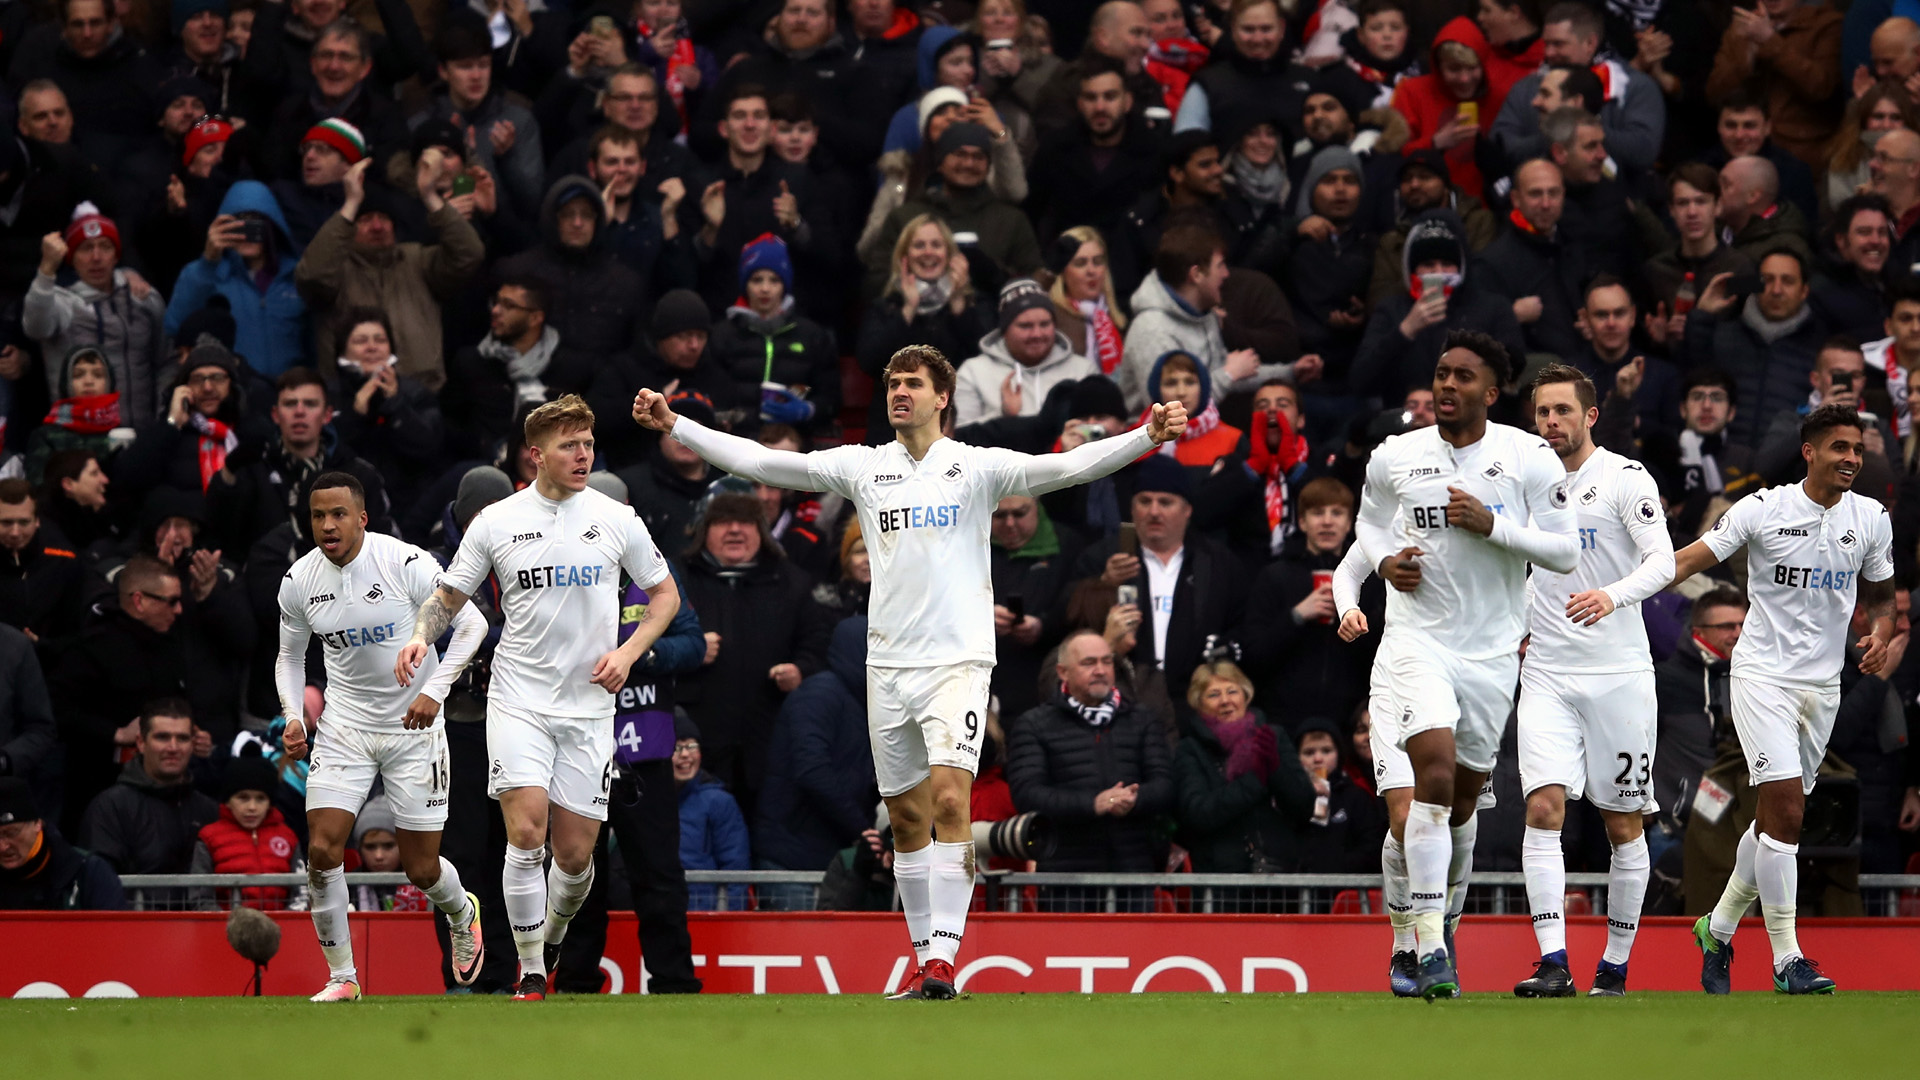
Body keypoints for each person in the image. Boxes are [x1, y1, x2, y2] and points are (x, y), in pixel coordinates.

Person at [633, 342, 1189, 999]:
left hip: (956, 662)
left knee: (952, 798)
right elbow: (765, 463)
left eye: (912, 384)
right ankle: (926, 960)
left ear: (941, 397)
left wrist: (1144, 437)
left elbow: (1065, 468)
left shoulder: (974, 468)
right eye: (892, 383)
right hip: (887, 663)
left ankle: (945, 961)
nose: (898, 393)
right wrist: (679, 426)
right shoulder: (865, 468)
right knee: (904, 820)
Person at [403, 395, 681, 1001]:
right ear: (536, 456)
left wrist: (628, 653)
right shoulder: (496, 521)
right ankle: (531, 969)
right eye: (568, 445)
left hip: (588, 707)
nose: (582, 455)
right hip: (519, 699)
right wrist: (420, 640)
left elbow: (666, 597)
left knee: (577, 857)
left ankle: (551, 934)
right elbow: (447, 598)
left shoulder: (617, 518)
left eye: (587, 443)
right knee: (525, 834)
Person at [1338, 329, 1578, 999]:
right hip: (1417, 642)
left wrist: (1492, 527)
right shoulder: (1396, 456)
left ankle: (1436, 923)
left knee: (1463, 804)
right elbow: (1370, 524)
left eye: (1462, 377)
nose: (1447, 385)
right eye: (1441, 373)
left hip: (1494, 650)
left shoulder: (1529, 456)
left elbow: (1562, 553)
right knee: (1432, 777)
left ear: (1491, 393)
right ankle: (1426, 942)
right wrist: (1384, 561)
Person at [1673, 404, 1895, 995]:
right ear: (1810, 452)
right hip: (1761, 676)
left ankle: (1717, 929)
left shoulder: (1871, 518)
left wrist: (1878, 631)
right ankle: (1787, 958)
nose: (1850, 458)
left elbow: (1881, 595)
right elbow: (1691, 559)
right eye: (1839, 448)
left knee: (1775, 821)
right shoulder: (1764, 508)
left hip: (1822, 686)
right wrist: (1622, 594)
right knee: (1789, 815)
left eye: (1857, 449)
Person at [275, 473, 487, 1000]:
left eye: (339, 514)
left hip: (414, 726)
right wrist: (294, 716)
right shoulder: (299, 580)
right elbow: (289, 656)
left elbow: (474, 626)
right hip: (346, 726)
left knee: (419, 868)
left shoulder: (404, 563)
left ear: (362, 517)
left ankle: (462, 910)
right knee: (322, 849)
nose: (328, 524)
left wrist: (434, 691)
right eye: (318, 515)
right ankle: (343, 978)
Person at [1510, 366, 1675, 998]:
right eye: (1542, 412)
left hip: (1619, 677)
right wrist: (1515, 621)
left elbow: (1662, 561)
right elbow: (1529, 573)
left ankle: (1615, 965)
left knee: (1622, 824)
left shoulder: (1624, 480)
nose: (1550, 422)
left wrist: (1610, 596)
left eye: (1561, 411)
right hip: (1548, 671)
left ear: (1590, 416)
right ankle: (1553, 960)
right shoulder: (1526, 485)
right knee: (1543, 808)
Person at [674, 491, 834, 804]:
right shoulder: (675, 580)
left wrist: (800, 669)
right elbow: (645, 641)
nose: (735, 530)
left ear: (761, 531)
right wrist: (689, 649)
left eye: (746, 522)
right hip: (697, 741)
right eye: (722, 522)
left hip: (768, 741)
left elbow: (818, 641)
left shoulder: (791, 582)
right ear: (705, 530)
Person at [294, 155, 486, 390]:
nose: (377, 226)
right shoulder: (335, 269)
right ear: (349, 228)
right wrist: (351, 204)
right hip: (351, 393)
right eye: (365, 219)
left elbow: (469, 254)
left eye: (384, 218)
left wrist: (429, 195)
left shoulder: (417, 259)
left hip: (422, 393)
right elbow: (310, 276)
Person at [1006, 629, 1173, 896]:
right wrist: (1093, 804)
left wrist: (1134, 799)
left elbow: (1165, 784)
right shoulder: (1034, 724)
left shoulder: (1142, 718)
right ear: (1063, 672)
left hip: (1133, 870)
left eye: (1107, 662)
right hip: (1066, 875)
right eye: (1088, 663)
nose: (1100, 670)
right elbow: (1027, 793)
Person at [753, 616, 879, 907]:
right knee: (795, 947)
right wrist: (860, 828)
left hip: (830, 855)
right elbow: (812, 770)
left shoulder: (864, 704)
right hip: (793, 859)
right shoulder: (819, 694)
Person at [24, 204, 167, 428]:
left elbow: (165, 361)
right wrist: (46, 270)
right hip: (80, 439)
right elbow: (35, 326)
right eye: (86, 248)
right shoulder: (62, 303)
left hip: (143, 436)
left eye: (105, 247)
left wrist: (163, 420)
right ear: (72, 259)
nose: (96, 257)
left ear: (116, 255)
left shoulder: (144, 298)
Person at [1170, 658, 1316, 876]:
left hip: (1278, 877)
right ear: (1198, 703)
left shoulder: (1271, 737)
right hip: (1220, 882)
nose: (1225, 701)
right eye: (1213, 694)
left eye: (1232, 691)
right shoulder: (1190, 749)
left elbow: (1304, 806)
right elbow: (1198, 814)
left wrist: (1276, 770)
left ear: (1246, 695)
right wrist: (1255, 780)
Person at [855, 214, 995, 442]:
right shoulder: (886, 307)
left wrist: (959, 305)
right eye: (919, 245)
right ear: (904, 257)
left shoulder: (975, 304)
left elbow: (988, 359)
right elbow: (870, 361)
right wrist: (908, 309)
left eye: (936, 245)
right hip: (893, 428)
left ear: (951, 255)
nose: (928, 252)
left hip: (961, 423)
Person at [1489, 2, 1663, 176]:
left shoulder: (1633, 87)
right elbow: (1498, 148)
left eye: (1558, 44)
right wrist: (1555, 135)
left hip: (1615, 198)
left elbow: (1644, 152)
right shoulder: (1527, 88)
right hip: (1542, 197)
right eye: (1546, 44)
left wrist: (1586, 126)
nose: (1548, 53)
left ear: (1589, 43)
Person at [709, 233, 840, 436]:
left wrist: (807, 410)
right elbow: (712, 392)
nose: (765, 288)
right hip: (735, 442)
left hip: (795, 444)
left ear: (785, 285)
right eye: (756, 279)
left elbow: (831, 398)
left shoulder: (811, 335)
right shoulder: (722, 335)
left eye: (774, 280)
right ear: (745, 284)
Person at [77, 699, 221, 877]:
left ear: (192, 745)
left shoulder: (209, 811)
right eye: (162, 737)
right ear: (141, 742)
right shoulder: (110, 808)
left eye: (182, 738)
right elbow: (99, 886)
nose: (173, 747)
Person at [1703, 0, 1842, 171]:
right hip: (1742, 151)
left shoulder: (1826, 25)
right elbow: (1714, 94)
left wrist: (1771, 41)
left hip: (1801, 151)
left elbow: (1821, 87)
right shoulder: (1740, 28)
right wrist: (1747, 60)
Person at [954, 278, 1098, 427]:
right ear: (1004, 331)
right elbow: (958, 437)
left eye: (1044, 324)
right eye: (1025, 326)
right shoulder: (973, 372)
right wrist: (1003, 416)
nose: (1037, 334)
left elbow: (1104, 428)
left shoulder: (1084, 372)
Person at [188, 748, 303, 911]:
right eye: (243, 797)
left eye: (260, 798)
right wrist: (228, 926)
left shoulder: (288, 837)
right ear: (228, 801)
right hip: (226, 933)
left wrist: (286, 922)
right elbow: (200, 896)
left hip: (281, 931)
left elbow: (301, 892)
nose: (252, 807)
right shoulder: (209, 838)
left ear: (270, 802)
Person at [0, 776, 124, 911]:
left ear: (37, 824)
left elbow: (113, 930)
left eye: (11, 833)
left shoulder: (87, 873)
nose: (3, 846)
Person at [668, 715, 751, 911]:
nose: (685, 755)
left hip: (707, 914)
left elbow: (735, 867)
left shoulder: (719, 801)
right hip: (663, 913)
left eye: (692, 746)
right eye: (676, 748)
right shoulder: (649, 801)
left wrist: (731, 922)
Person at [0, 479, 85, 643]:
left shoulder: (63, 562)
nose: (15, 532)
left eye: (24, 522)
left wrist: (43, 645)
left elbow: (75, 633)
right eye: (6, 523)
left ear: (37, 521)